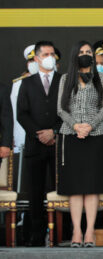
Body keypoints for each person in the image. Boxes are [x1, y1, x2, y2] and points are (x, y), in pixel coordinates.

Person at [56, 41, 103, 248]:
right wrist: (76, 126)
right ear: (75, 55)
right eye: (82, 52)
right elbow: (61, 109)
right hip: (71, 136)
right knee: (75, 187)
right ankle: (76, 232)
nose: (86, 55)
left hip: (95, 135)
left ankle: (89, 232)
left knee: (91, 186)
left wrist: (89, 126)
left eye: (89, 52)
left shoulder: (102, 78)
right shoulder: (65, 79)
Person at [16, 41, 62, 246]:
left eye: (52, 54)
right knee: (35, 192)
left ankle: (62, 232)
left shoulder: (64, 81)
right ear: (36, 58)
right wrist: (39, 134)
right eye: (45, 54)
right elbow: (22, 114)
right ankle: (36, 233)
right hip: (35, 145)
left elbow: (69, 111)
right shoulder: (27, 83)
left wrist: (54, 131)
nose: (50, 57)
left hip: (58, 144)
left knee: (60, 190)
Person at [10, 45, 38, 158]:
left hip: (46, 137)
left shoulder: (53, 81)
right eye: (32, 60)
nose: (34, 63)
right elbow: (12, 112)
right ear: (28, 63)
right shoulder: (18, 84)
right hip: (22, 135)